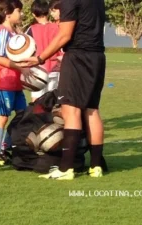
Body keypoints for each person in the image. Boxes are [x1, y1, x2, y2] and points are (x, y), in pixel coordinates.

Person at [18, 0, 107, 180]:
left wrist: (40, 58)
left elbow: (64, 35)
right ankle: (96, 166)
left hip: (78, 57)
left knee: (70, 110)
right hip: (97, 57)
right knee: (91, 110)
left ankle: (66, 168)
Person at [0, 0, 30, 166]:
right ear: (8, 14)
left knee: (22, 114)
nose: (21, 14)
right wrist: (20, 68)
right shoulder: (3, 32)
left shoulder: (13, 32)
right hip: (2, 81)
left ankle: (5, 146)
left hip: (14, 82)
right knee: (2, 117)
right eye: (18, 11)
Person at [25, 0, 63, 101]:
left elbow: (24, 48)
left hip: (38, 70)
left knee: (36, 100)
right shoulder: (58, 28)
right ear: (48, 11)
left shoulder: (31, 29)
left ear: (33, 14)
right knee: (51, 101)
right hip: (55, 69)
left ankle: (35, 116)